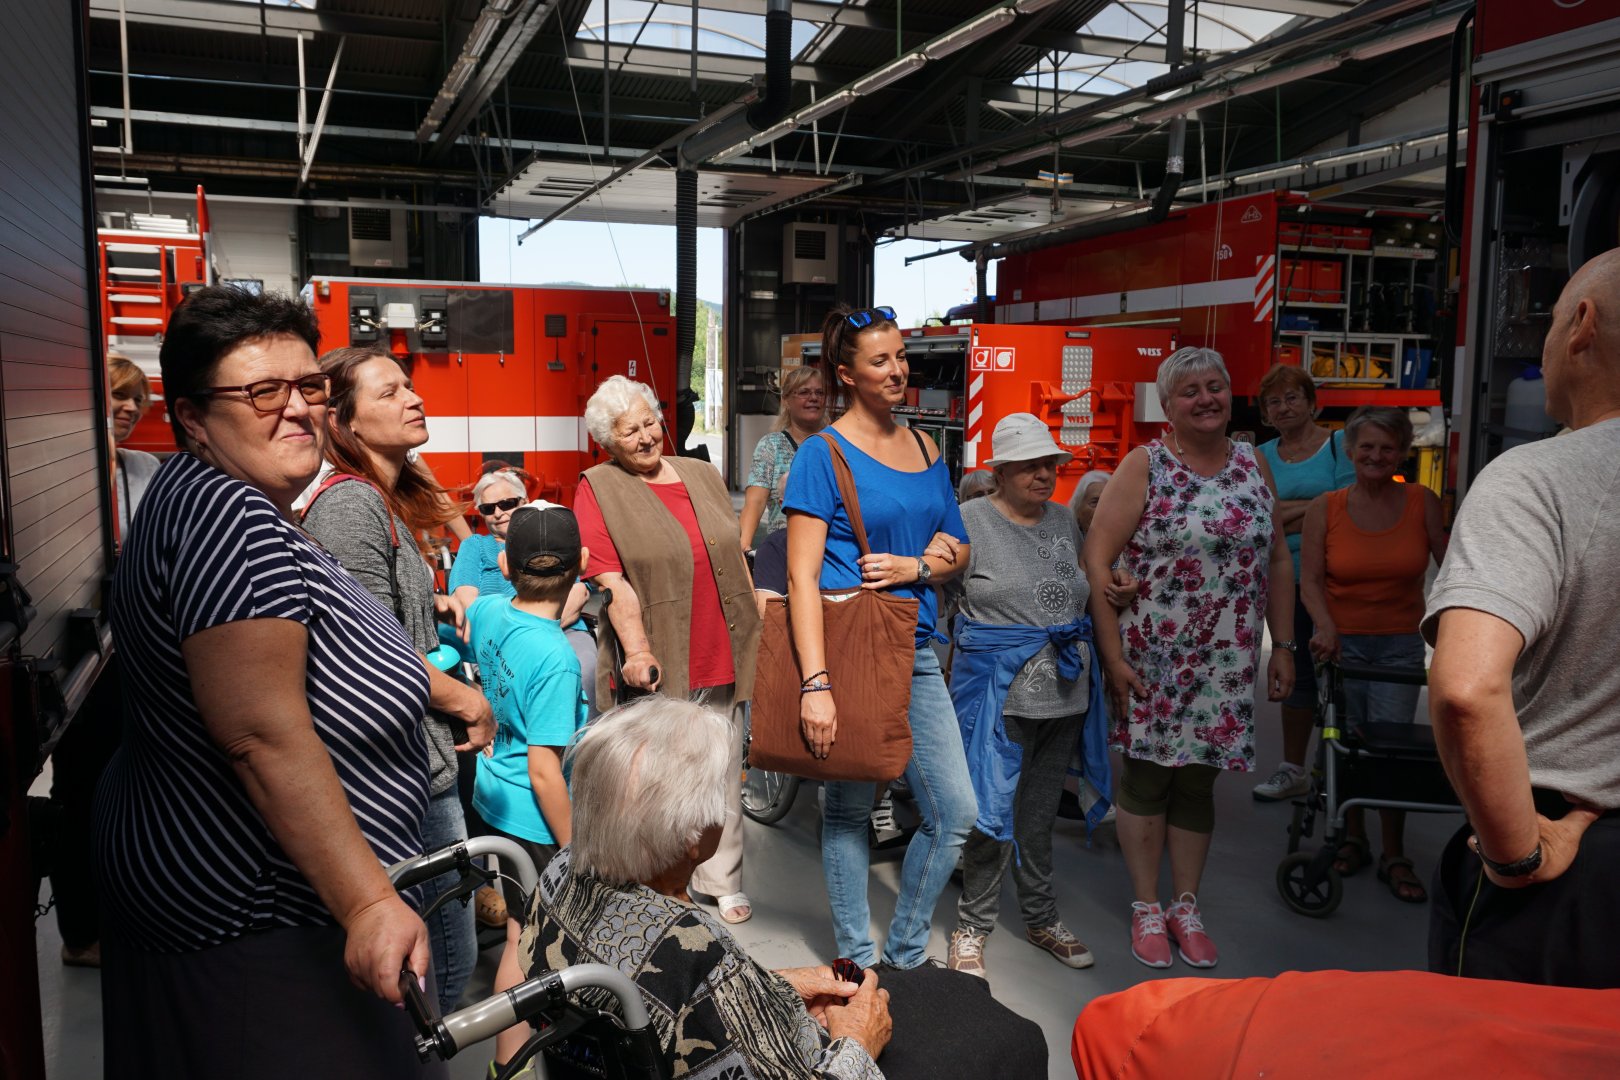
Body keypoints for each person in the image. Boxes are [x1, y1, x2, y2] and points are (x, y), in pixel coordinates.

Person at [94, 285, 444, 1078]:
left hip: (204, 897)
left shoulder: (191, 496)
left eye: (307, 386)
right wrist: (367, 902)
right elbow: (260, 735)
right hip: (264, 925)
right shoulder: (234, 521)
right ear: (192, 416)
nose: (296, 409)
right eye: (261, 392)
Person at [518, 696, 1047, 1080]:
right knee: (1011, 1037)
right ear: (691, 837)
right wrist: (856, 1043)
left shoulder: (560, 871)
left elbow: (676, 1000)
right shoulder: (694, 948)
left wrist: (773, 986)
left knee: (945, 992)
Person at [1425, 250, 1620, 988]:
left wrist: (1516, 857)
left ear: (1583, 325)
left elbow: (1466, 690)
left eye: (1552, 320)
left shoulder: (1536, 479)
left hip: (1567, 871)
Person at [1083, 346, 1295, 970]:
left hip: (1225, 662)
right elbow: (1097, 557)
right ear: (1168, 407)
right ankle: (1147, 906)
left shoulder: (1253, 462)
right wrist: (1113, 656)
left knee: (1200, 780)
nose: (1206, 399)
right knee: (1148, 778)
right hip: (1153, 657)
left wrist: (1282, 646)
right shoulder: (1144, 464)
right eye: (1190, 391)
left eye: (1215, 387)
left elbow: (1278, 559)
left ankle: (1185, 905)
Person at [300, 344, 494, 1018]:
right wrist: (469, 701)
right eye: (388, 392)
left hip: (417, 763)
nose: (413, 398)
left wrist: (429, 602)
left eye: (408, 386)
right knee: (443, 969)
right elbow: (370, 651)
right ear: (343, 421)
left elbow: (370, 611)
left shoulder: (379, 498)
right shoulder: (350, 506)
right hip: (402, 773)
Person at [783, 304, 976, 971]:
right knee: (847, 810)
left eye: (901, 358)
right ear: (847, 374)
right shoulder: (822, 455)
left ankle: (905, 955)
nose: (898, 371)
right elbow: (802, 578)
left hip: (915, 650)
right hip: (851, 653)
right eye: (880, 361)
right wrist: (816, 685)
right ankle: (857, 962)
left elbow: (960, 546)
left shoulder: (925, 448)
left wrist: (915, 567)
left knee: (955, 813)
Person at [572, 375, 762, 924]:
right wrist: (636, 650)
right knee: (659, 776)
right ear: (608, 442)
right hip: (661, 650)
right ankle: (658, 877)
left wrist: (757, 618)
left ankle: (721, 877)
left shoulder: (701, 474)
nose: (646, 437)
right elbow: (613, 582)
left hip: (722, 638)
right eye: (629, 431)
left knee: (723, 765)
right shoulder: (599, 487)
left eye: (650, 422)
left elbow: (734, 555)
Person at [945, 414, 1105, 981]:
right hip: (999, 695)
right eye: (1030, 467)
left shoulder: (1062, 519)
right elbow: (939, 592)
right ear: (1001, 473)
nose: (1044, 475)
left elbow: (1079, 591)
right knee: (990, 813)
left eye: (1050, 466)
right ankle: (972, 926)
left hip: (1065, 692)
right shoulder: (970, 520)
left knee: (1037, 814)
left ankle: (1040, 918)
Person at [1300, 406, 1446, 902]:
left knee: (1390, 747)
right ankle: (1353, 836)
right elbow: (1310, 582)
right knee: (1347, 745)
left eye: (1387, 448)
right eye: (1367, 447)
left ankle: (1394, 853)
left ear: (1402, 452)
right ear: (1350, 451)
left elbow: (1451, 568)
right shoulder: (1326, 508)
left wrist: (1452, 628)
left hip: (1399, 644)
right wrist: (1325, 626)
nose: (1376, 456)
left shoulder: (1422, 502)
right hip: (1341, 644)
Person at [465, 502, 591, 1070]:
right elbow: (545, 770)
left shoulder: (490, 610)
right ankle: (509, 1064)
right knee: (526, 937)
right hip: (534, 818)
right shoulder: (558, 659)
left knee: (523, 923)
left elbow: (469, 617)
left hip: (493, 793)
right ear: (581, 563)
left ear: (504, 564)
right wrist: (575, 852)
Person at [48, 354, 161, 969]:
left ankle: (127, 918)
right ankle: (81, 934)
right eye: (118, 396)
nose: (128, 408)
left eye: (136, 400)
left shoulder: (144, 469)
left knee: (132, 789)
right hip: (78, 659)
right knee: (81, 792)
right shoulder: (61, 469)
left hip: (134, 653)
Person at [1251, 365, 1356, 802]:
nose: (1283, 407)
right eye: (1274, 402)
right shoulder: (1260, 455)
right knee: (1296, 672)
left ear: (1312, 403)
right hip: (1283, 581)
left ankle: (1342, 768)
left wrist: (1284, 513)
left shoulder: (1338, 446)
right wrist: (1314, 507)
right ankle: (1292, 769)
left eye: (1292, 397)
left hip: (1333, 580)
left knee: (1341, 675)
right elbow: (1260, 519)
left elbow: (1347, 507)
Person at [449, 469, 593, 706]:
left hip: (562, 628)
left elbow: (577, 593)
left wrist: (533, 633)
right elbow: (466, 602)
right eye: (488, 508)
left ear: (524, 502)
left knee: (583, 668)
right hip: (498, 637)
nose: (498, 513)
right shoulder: (475, 546)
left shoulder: (546, 534)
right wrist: (516, 637)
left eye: (506, 504)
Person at [739, 364, 826, 547]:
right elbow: (755, 503)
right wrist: (742, 548)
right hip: (782, 551)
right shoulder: (771, 446)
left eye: (819, 393)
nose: (813, 398)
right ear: (786, 400)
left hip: (829, 552)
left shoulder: (837, 443)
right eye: (804, 392)